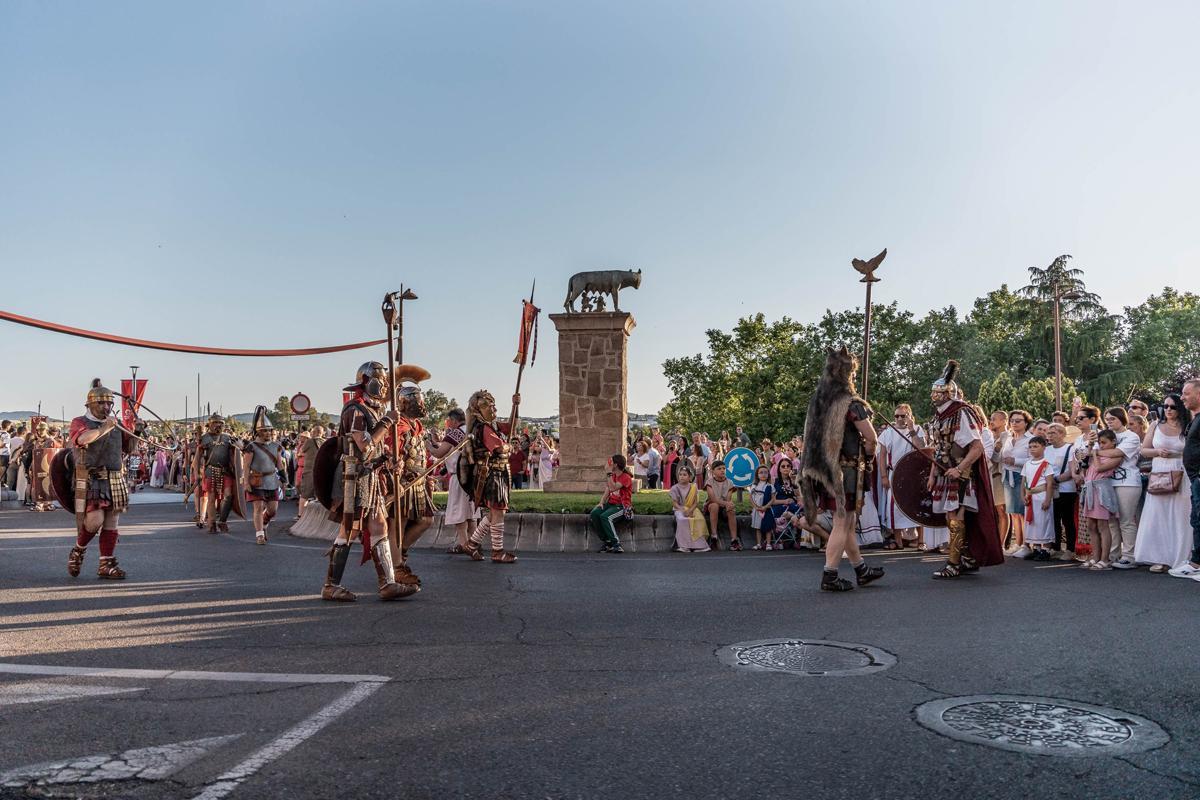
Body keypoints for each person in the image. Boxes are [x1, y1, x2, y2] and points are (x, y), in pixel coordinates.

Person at [320, 361, 414, 602]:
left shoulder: (372, 410)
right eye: (380, 381)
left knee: (379, 526)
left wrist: (388, 459)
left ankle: (388, 583)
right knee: (350, 529)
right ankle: (330, 585)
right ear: (367, 381)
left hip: (369, 477)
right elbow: (363, 447)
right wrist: (387, 423)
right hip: (353, 476)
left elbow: (374, 451)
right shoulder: (355, 409)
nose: (384, 386)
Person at [798, 346, 885, 591]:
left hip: (825, 471)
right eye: (853, 374)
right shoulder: (850, 403)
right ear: (846, 374)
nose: (855, 378)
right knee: (842, 521)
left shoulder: (819, 402)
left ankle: (861, 569)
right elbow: (871, 438)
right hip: (845, 473)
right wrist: (868, 454)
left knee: (848, 520)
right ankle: (830, 575)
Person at [922, 360, 1004, 579]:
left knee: (955, 517)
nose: (934, 396)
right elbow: (938, 449)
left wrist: (959, 469)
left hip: (959, 474)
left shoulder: (962, 413)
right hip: (943, 472)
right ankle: (967, 557)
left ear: (948, 394)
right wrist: (932, 474)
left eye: (938, 393)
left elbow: (976, 447)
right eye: (933, 392)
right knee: (951, 518)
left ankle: (953, 564)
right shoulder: (939, 417)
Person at [66, 379, 140, 580]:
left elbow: (129, 448)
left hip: (114, 477)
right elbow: (82, 440)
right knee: (95, 520)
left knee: (111, 521)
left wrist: (137, 432)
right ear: (90, 404)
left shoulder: (116, 424)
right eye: (101, 403)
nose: (106, 407)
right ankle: (78, 550)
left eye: (109, 403)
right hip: (91, 477)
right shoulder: (80, 422)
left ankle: (106, 563)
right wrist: (105, 428)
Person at [389, 366, 436, 587]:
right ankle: (396, 567)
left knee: (426, 519)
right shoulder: (397, 425)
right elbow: (391, 451)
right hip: (402, 482)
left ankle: (398, 555)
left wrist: (428, 477)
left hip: (417, 482)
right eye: (417, 398)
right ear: (405, 402)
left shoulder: (416, 425)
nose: (421, 402)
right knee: (400, 523)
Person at [1133, 394, 1191, 572]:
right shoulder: (1155, 425)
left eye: (1172, 407)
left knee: (1181, 515)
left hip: (1182, 470)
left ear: (1180, 408)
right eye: (1165, 406)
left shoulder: (1188, 426)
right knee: (1158, 514)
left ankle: (1182, 557)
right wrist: (1158, 451)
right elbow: (1143, 449)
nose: (1168, 410)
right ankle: (1160, 557)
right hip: (1160, 471)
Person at [464, 389, 520, 563]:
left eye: (493, 404)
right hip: (492, 473)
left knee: (493, 513)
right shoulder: (483, 428)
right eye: (486, 405)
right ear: (477, 410)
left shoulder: (492, 425)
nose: (492, 408)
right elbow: (499, 448)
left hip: (500, 472)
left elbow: (512, 426)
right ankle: (497, 551)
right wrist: (509, 447)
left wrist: (515, 406)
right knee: (498, 512)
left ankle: (472, 544)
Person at [877, 404, 925, 549]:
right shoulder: (888, 433)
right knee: (895, 507)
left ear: (909, 416)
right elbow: (882, 455)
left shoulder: (917, 430)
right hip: (895, 473)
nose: (899, 419)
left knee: (916, 505)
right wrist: (884, 476)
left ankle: (921, 541)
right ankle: (898, 540)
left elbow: (921, 448)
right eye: (896, 416)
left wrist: (911, 429)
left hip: (913, 473)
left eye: (902, 416)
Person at [1075, 429, 1123, 570]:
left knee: (1103, 525)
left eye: (1104, 442)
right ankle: (1095, 557)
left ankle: (1105, 559)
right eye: (1099, 443)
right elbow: (1084, 463)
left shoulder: (1115, 456)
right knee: (1091, 525)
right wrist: (1090, 445)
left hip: (1101, 490)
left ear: (1113, 441)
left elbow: (1099, 468)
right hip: (1089, 489)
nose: (1101, 445)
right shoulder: (1095, 453)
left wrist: (1095, 453)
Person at [432, 408, 477, 558]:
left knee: (460, 514)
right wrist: (436, 441)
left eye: (449, 421)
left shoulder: (455, 433)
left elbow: (439, 453)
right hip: (473, 476)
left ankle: (466, 545)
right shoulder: (472, 430)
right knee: (471, 513)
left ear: (455, 420)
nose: (448, 424)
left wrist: (427, 445)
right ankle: (473, 543)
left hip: (459, 476)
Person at [1103, 406, 1143, 569]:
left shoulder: (1131, 436)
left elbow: (1116, 453)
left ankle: (1129, 555)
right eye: (1107, 419)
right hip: (1108, 481)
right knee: (1111, 520)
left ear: (1122, 418)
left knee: (1126, 520)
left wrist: (1096, 453)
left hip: (1127, 482)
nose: (1109, 422)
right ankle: (1114, 554)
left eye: (1112, 418)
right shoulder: (1106, 435)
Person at [1169, 378, 1200, 581]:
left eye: (1186, 393)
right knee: (1197, 519)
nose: (1182, 397)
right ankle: (1196, 563)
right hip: (1195, 477)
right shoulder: (1196, 418)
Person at [241, 406, 284, 545]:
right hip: (256, 480)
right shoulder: (251, 447)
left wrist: (284, 478)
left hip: (271, 480)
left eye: (269, 430)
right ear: (259, 432)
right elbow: (246, 466)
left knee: (272, 510)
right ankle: (259, 534)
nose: (268, 433)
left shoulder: (275, 446)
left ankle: (265, 522)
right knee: (258, 507)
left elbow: (280, 464)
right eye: (265, 431)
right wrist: (246, 482)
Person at [195, 414, 236, 533]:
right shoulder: (204, 438)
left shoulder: (228, 438)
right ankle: (212, 523)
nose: (218, 425)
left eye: (221, 423)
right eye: (215, 423)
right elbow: (198, 457)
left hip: (225, 470)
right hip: (210, 470)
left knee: (228, 496)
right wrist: (197, 472)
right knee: (211, 498)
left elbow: (235, 454)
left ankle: (222, 520)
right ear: (210, 425)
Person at [1045, 423, 1079, 561]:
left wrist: (1056, 480)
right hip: (1050, 489)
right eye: (1049, 433)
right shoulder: (1047, 450)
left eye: (1053, 432)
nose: (1050, 435)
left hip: (1066, 488)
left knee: (1067, 519)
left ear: (1062, 434)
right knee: (1053, 519)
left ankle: (1070, 549)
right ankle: (1055, 547)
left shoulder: (1070, 449)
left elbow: (1072, 470)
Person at [1001, 410, 1032, 555]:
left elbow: (1034, 460)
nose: (1014, 423)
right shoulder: (1008, 438)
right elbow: (1000, 457)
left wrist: (1015, 461)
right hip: (1007, 475)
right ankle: (1018, 543)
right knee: (1013, 512)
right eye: (1012, 420)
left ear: (1026, 423)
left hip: (1021, 476)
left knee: (1022, 511)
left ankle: (1026, 545)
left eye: (1018, 421)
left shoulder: (1030, 439)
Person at [1020, 435, 1055, 560]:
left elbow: (1050, 483)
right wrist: (1023, 495)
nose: (1032, 449)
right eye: (1030, 447)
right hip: (1030, 497)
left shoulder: (1046, 464)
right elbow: (1023, 481)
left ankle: (1046, 548)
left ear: (1043, 447)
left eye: (1036, 446)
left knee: (1044, 521)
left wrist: (1047, 500)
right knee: (1033, 522)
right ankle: (1036, 548)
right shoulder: (1027, 464)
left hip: (1041, 496)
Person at [589, 453, 632, 553]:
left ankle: (616, 544)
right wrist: (601, 502)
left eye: (611, 462)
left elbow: (613, 487)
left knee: (606, 517)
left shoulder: (626, 477)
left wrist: (608, 473)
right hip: (611, 504)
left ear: (615, 465)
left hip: (622, 506)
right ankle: (607, 542)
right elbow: (608, 490)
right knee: (595, 514)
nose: (608, 463)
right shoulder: (612, 476)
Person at [669, 465, 710, 553]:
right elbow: (675, 503)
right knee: (682, 519)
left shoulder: (693, 487)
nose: (682, 476)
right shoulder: (674, 488)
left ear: (689, 477)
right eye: (680, 475)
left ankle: (701, 546)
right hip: (679, 509)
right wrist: (683, 510)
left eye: (684, 475)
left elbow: (695, 502)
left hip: (692, 508)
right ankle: (683, 546)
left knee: (698, 519)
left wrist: (690, 510)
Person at [987, 410, 1011, 549]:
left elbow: (999, 458)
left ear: (1003, 421)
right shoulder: (995, 437)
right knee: (998, 510)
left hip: (1001, 475)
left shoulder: (1007, 436)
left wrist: (996, 449)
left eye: (994, 419)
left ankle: (1000, 544)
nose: (991, 421)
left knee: (1002, 510)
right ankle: (997, 542)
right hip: (994, 475)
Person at [705, 460, 738, 550]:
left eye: (724, 468)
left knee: (731, 510)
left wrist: (728, 504)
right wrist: (727, 503)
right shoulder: (709, 482)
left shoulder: (730, 482)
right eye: (719, 469)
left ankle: (734, 540)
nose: (722, 470)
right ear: (713, 471)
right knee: (715, 505)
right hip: (712, 506)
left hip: (724, 505)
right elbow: (713, 499)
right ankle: (714, 537)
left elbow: (728, 498)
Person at [295, 425, 323, 518]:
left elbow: (302, 451)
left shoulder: (310, 442)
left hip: (309, 470)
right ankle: (318, 517)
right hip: (321, 471)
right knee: (320, 495)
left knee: (305, 495)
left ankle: (300, 515)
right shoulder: (325, 442)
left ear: (314, 433)